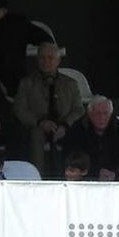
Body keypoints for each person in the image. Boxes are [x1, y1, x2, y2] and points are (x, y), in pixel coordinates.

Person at [12, 42, 82, 176]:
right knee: (36, 135)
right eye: (42, 57)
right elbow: (20, 109)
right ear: (37, 60)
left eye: (50, 58)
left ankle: (71, 177)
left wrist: (65, 126)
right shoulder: (27, 83)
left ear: (58, 60)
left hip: (64, 125)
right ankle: (38, 177)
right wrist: (40, 122)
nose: (46, 61)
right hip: (37, 126)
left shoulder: (70, 83)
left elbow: (78, 110)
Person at [61, 96, 119, 181]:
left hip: (116, 177)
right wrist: (94, 173)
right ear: (90, 114)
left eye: (105, 113)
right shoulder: (77, 129)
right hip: (87, 178)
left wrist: (116, 173)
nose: (102, 117)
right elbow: (71, 158)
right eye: (98, 113)